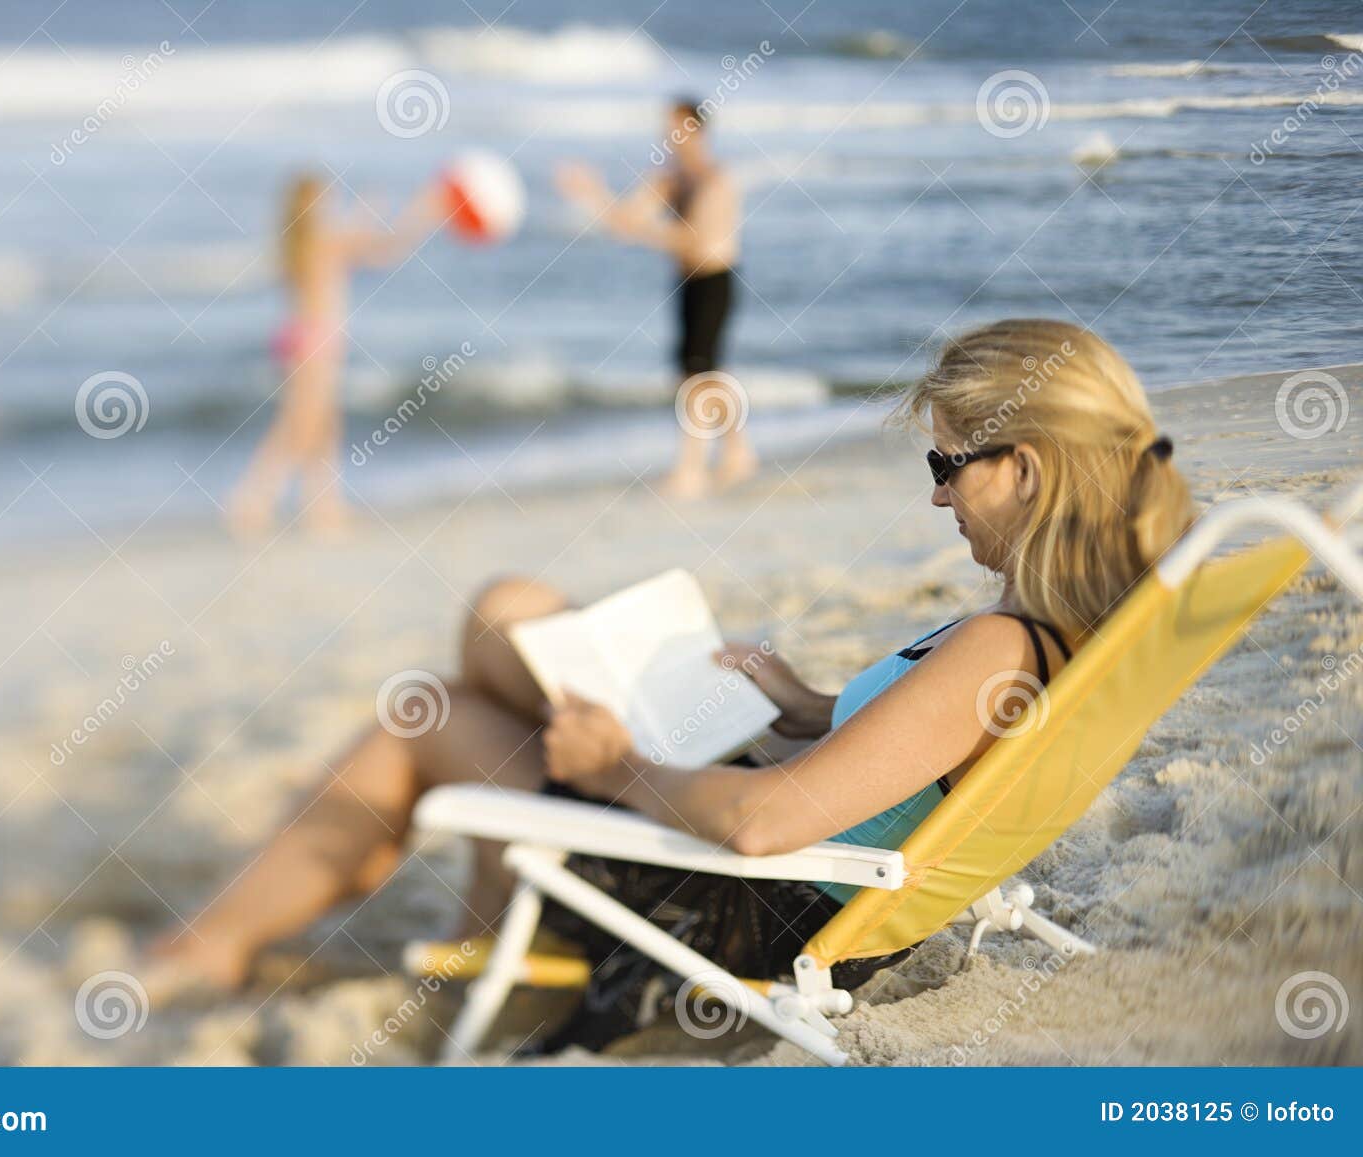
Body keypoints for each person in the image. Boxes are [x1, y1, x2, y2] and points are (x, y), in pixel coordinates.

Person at [153, 319, 1195, 1052]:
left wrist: (617, 766)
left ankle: (220, 945)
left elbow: (759, 825)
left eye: (947, 460)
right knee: (505, 617)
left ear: (1025, 467)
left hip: (733, 897)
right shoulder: (1051, 638)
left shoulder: (1001, 648)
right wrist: (802, 704)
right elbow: (918, 762)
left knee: (427, 711)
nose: (934, 494)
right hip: (806, 862)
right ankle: (452, 906)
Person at [554, 97, 756, 499]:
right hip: (686, 281)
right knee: (697, 374)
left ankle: (692, 469)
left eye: (676, 127)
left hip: (716, 280)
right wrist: (591, 191)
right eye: (666, 128)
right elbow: (624, 220)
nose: (669, 136)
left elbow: (692, 238)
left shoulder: (717, 180)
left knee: (700, 376)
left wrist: (644, 232)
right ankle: (737, 453)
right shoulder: (670, 178)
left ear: (698, 131)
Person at [226, 173, 443, 538]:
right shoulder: (324, 240)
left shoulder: (299, 243)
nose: (331, 205)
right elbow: (389, 248)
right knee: (299, 426)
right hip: (315, 344)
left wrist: (363, 219)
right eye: (326, 200)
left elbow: (369, 247)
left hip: (301, 339)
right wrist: (422, 210)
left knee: (322, 427)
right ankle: (252, 499)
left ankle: (321, 505)